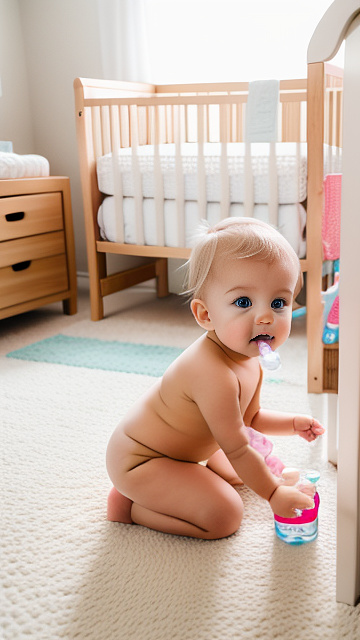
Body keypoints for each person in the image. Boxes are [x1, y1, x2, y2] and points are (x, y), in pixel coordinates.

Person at [106, 217, 325, 539]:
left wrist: (292, 423)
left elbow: (249, 418)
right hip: (143, 462)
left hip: (187, 454)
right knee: (224, 516)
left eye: (278, 303)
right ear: (205, 315)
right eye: (243, 302)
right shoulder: (211, 372)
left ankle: (171, 487)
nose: (265, 317)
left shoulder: (248, 358)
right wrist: (273, 494)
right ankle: (129, 506)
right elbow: (237, 446)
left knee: (240, 467)